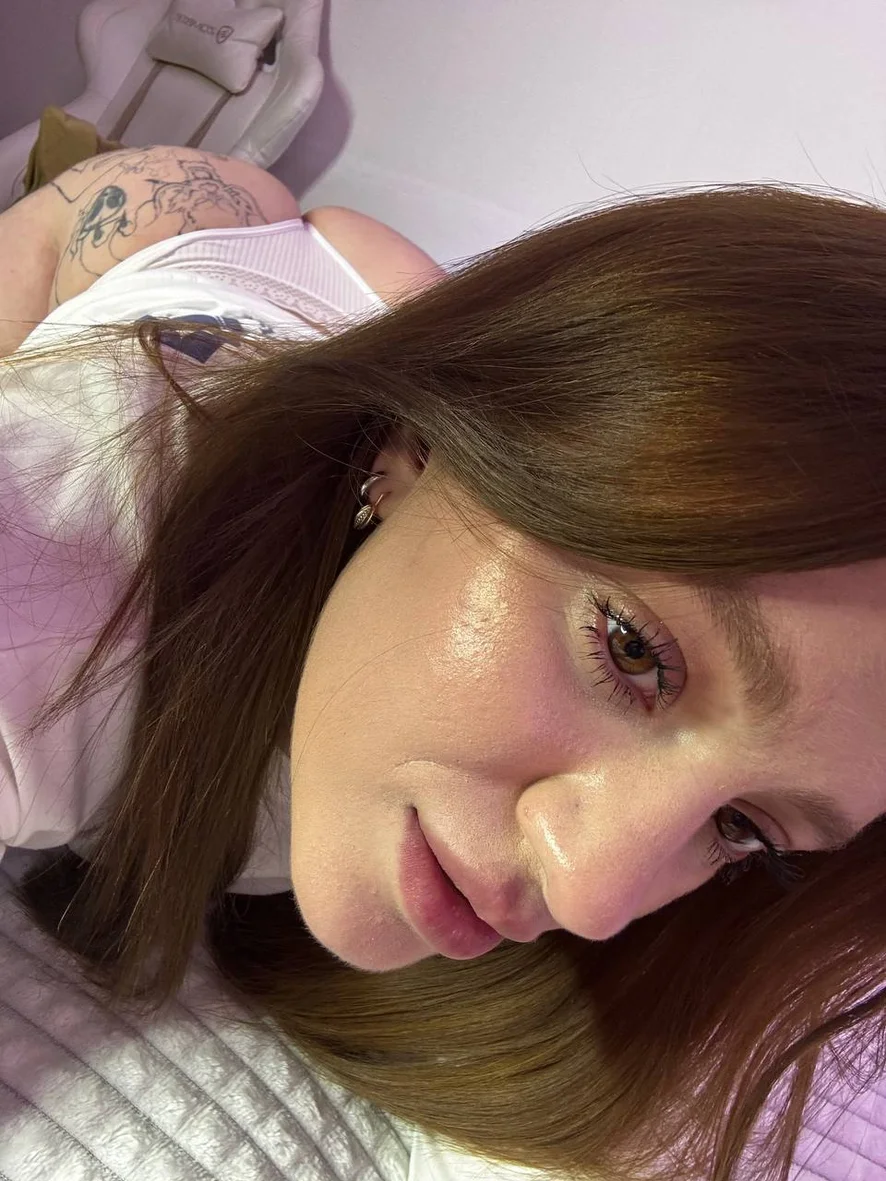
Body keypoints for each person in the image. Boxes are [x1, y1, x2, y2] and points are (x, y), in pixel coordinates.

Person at [1, 143, 885, 1181]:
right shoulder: (53, 590)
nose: (592, 894)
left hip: (349, 295)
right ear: (410, 449)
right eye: (632, 650)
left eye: (742, 827)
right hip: (196, 235)